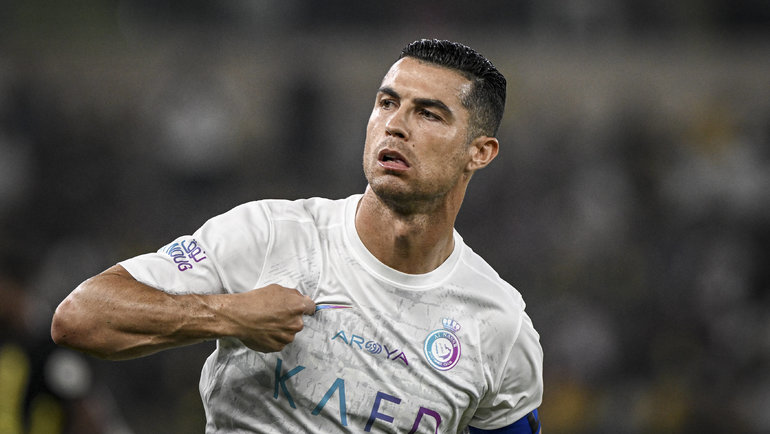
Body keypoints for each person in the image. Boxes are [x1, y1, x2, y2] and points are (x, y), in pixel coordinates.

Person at [51, 39, 543, 433]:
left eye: (428, 114)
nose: (395, 125)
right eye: (387, 102)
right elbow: (80, 317)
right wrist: (228, 315)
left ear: (480, 152)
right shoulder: (273, 235)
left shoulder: (499, 325)